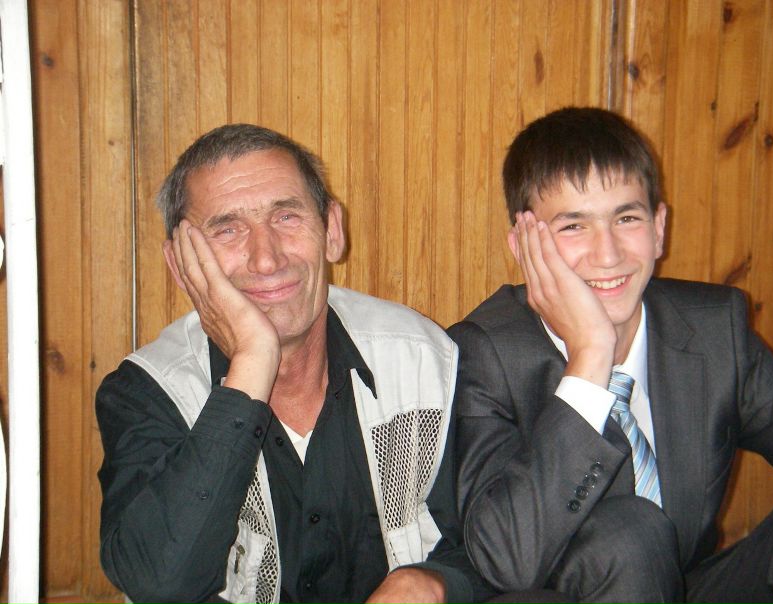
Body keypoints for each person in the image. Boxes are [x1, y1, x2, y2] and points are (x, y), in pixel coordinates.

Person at [96, 124, 492, 604]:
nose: (266, 259)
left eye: (286, 217)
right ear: (182, 265)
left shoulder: (424, 359)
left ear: (332, 231)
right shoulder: (148, 391)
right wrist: (251, 363)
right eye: (227, 229)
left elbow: (494, 543)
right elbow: (159, 583)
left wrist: (432, 581)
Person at [449, 107, 773, 604]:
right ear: (523, 245)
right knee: (629, 535)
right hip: (571, 596)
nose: (608, 254)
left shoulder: (711, 328)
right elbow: (506, 558)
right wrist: (591, 357)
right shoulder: (486, 352)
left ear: (659, 227)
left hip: (687, 588)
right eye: (574, 226)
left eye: (627, 218)